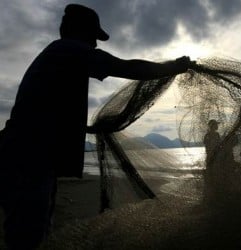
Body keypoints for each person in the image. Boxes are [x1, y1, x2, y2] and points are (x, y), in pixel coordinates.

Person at [0, 4, 193, 249]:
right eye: (93, 36)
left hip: (28, 155)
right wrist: (173, 67)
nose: (95, 44)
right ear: (78, 31)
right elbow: (125, 67)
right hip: (26, 158)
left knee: (35, 231)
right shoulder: (68, 49)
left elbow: (48, 111)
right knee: (27, 236)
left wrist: (87, 129)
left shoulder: (59, 55)